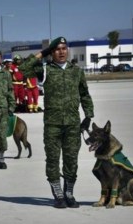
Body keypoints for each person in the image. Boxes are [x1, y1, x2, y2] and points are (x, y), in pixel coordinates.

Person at [19, 36, 94, 208]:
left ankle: (69, 192)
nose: (62, 52)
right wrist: (42, 53)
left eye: (64, 48)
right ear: (52, 52)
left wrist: (88, 116)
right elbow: (22, 69)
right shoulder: (45, 70)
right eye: (57, 49)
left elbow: (84, 94)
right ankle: (58, 193)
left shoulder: (76, 71)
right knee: (52, 160)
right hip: (52, 124)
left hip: (73, 124)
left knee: (71, 160)